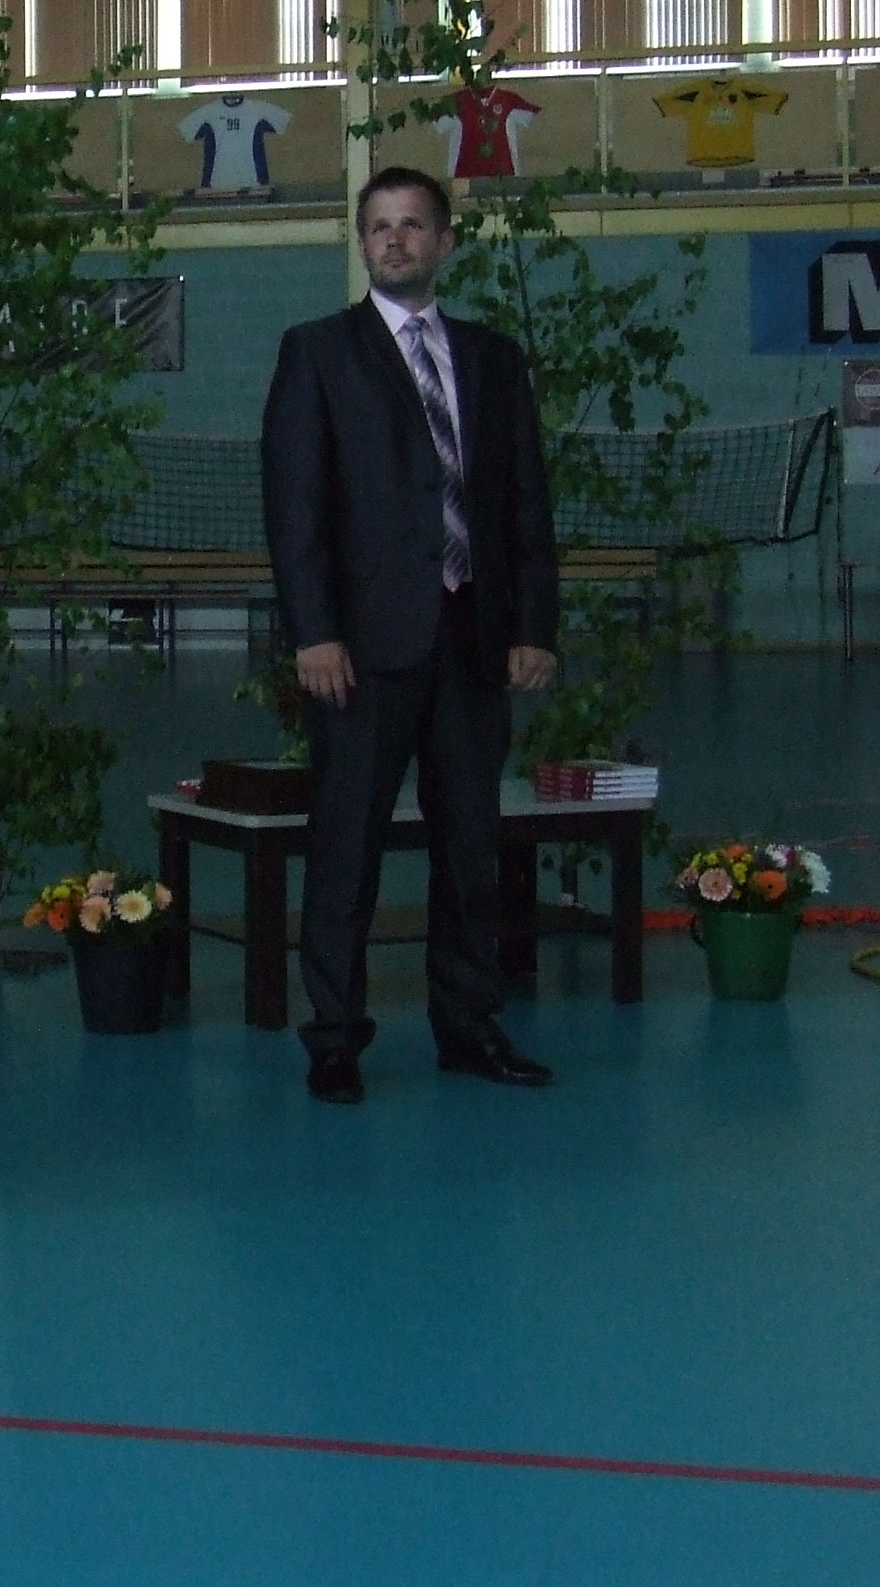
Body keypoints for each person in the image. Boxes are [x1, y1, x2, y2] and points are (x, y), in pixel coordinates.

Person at [260, 165, 560, 1103]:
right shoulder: (318, 352)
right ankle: (335, 1040)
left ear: (445, 242)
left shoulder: (494, 359)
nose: (395, 239)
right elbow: (294, 505)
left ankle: (469, 1028)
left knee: (471, 850)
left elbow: (525, 502)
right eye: (380, 226)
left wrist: (533, 625)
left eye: (413, 224)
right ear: (363, 244)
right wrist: (314, 633)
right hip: (360, 651)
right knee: (346, 850)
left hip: (473, 641)